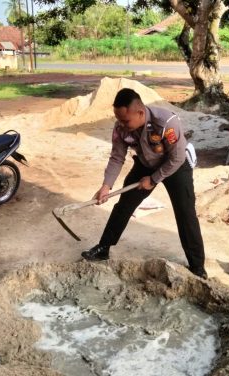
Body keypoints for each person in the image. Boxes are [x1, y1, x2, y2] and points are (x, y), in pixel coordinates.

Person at [81, 88, 207, 279]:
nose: (121, 124)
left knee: (185, 212)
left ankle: (197, 266)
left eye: (125, 120)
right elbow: (117, 157)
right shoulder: (121, 128)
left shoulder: (166, 122)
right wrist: (106, 186)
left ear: (140, 113)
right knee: (124, 205)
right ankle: (103, 248)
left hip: (175, 166)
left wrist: (154, 179)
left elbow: (177, 157)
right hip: (145, 164)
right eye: (119, 120)